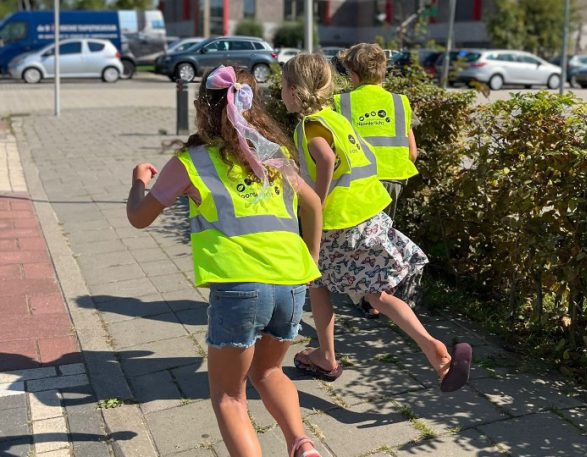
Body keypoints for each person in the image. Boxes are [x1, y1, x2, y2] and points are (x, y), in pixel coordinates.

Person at [126, 66, 324, 457]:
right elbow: (314, 204)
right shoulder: (276, 156)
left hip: (239, 288)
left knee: (229, 398)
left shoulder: (190, 162)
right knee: (269, 372)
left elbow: (139, 217)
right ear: (256, 108)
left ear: (203, 107)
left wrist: (138, 182)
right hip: (291, 283)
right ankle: (303, 445)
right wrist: (310, 266)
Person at [280, 53, 472, 393]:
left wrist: (315, 206)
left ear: (295, 91)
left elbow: (325, 159)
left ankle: (327, 356)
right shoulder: (334, 118)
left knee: (316, 282)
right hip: (367, 214)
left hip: (339, 224)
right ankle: (435, 351)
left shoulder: (309, 126)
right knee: (375, 293)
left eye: (282, 85)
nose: (280, 92)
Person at [334, 43, 420, 318]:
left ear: (353, 74)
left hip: (360, 182)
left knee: (360, 241)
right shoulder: (400, 102)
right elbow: (413, 152)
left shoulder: (342, 103)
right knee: (380, 237)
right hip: (394, 179)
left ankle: (371, 297)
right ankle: (382, 292)